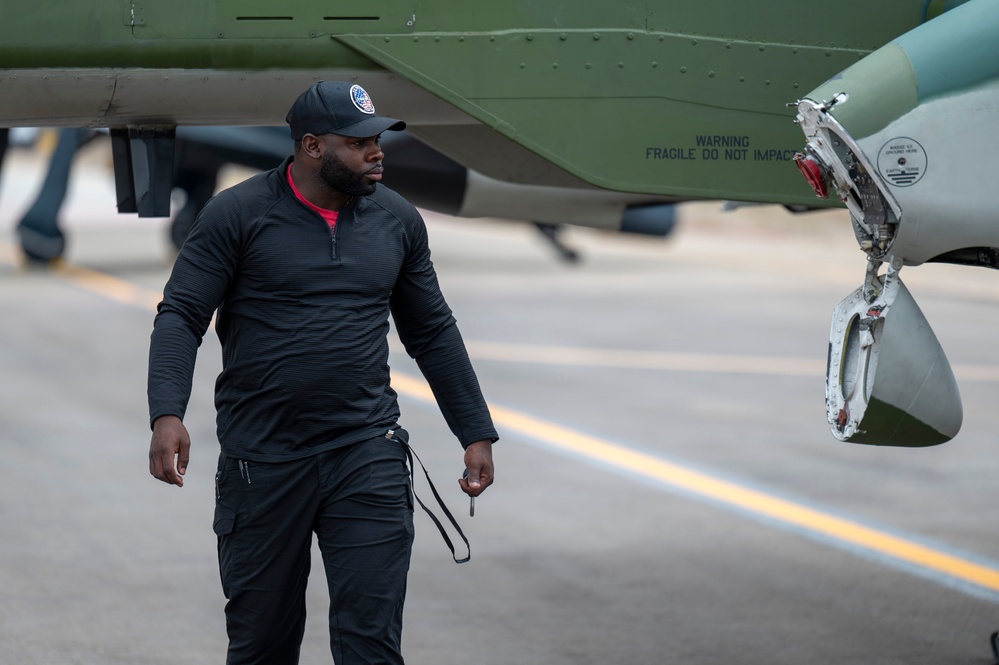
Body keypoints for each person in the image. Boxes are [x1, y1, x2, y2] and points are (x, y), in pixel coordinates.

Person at [147, 80, 498, 664]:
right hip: (262, 460)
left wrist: (475, 430)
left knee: (370, 644)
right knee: (263, 643)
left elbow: (431, 329)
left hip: (365, 450)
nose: (377, 152)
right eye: (360, 142)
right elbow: (181, 314)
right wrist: (167, 412)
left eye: (378, 138)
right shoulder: (237, 214)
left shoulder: (397, 221)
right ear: (312, 146)